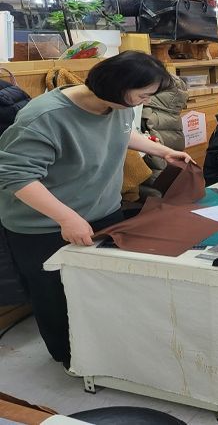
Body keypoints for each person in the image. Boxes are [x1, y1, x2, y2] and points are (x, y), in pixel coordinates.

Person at [0, 51, 193, 370]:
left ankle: (106, 352)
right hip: (43, 225)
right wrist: (66, 218)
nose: (147, 100)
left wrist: (162, 150)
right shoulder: (45, 117)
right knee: (56, 297)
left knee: (102, 286)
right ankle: (71, 360)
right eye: (144, 94)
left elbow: (121, 131)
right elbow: (15, 176)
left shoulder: (116, 105)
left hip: (101, 211)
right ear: (116, 87)